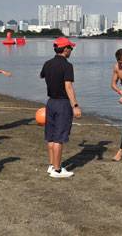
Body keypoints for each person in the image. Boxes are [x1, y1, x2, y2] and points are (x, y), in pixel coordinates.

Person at [40, 37, 81, 178]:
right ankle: (57, 170)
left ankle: (52, 165)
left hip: (50, 102)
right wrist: (75, 105)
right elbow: (68, 86)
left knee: (51, 136)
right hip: (62, 103)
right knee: (59, 137)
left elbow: (43, 76)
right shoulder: (67, 66)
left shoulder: (47, 64)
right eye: (71, 48)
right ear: (65, 49)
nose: (71, 50)